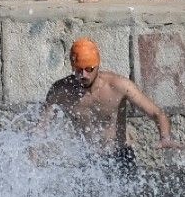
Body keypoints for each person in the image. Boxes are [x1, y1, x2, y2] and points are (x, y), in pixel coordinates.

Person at [40, 37, 176, 168]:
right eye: (78, 70)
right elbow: (41, 129)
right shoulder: (60, 91)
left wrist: (165, 137)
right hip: (89, 161)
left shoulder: (119, 86)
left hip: (120, 157)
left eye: (89, 69)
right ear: (72, 66)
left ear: (98, 66)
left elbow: (157, 112)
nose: (84, 75)